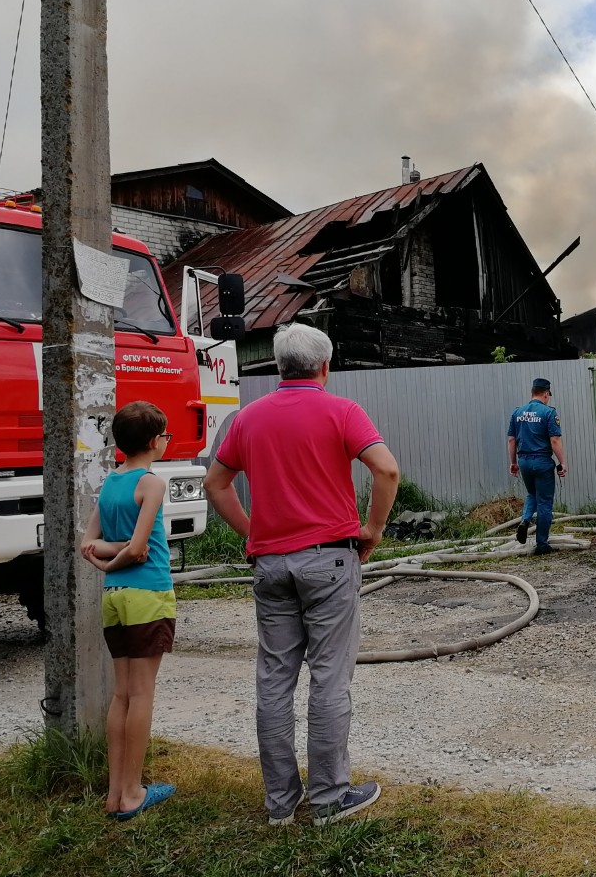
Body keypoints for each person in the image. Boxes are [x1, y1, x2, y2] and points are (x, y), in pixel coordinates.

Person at [203, 322, 399, 828]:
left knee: (273, 679)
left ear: (277, 365)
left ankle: (280, 803)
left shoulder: (248, 419)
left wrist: (253, 531)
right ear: (325, 367)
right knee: (330, 678)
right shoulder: (342, 411)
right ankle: (330, 799)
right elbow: (387, 470)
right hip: (331, 560)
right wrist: (372, 530)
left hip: (270, 565)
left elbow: (216, 482)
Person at [80, 400, 178, 821]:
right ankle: (133, 793)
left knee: (121, 694)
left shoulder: (110, 483)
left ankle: (114, 793)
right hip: (148, 595)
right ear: (155, 442)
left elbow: (89, 541)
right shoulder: (151, 483)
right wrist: (116, 556)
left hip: (114, 597)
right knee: (141, 695)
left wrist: (107, 558)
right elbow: (139, 549)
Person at [507, 377, 567, 555]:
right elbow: (554, 440)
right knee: (545, 502)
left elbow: (511, 440)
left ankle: (525, 520)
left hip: (524, 461)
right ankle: (542, 543)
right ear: (546, 394)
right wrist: (562, 462)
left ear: (532, 392)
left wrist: (513, 463)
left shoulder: (517, 412)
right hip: (542, 461)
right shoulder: (549, 413)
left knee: (532, 493)